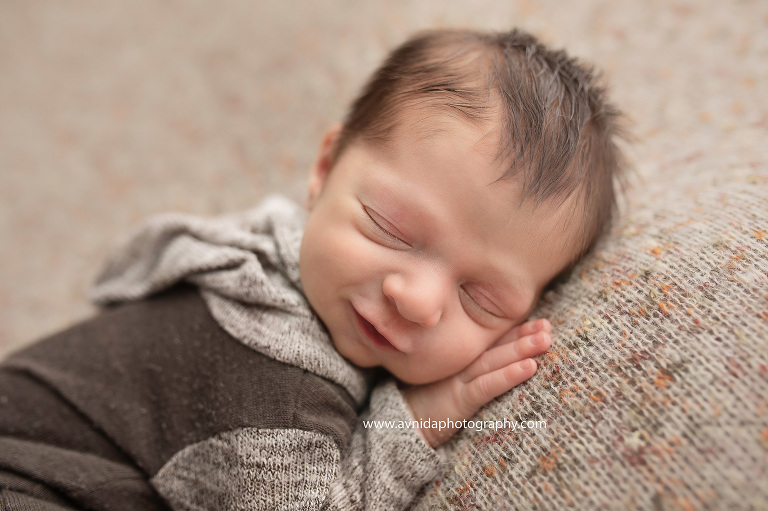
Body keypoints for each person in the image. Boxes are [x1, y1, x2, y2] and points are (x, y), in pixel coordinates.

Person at [0, 28, 626, 510]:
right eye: (390, 228)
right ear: (324, 169)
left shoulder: (285, 258)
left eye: (481, 299)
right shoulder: (267, 359)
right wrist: (418, 422)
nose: (417, 299)